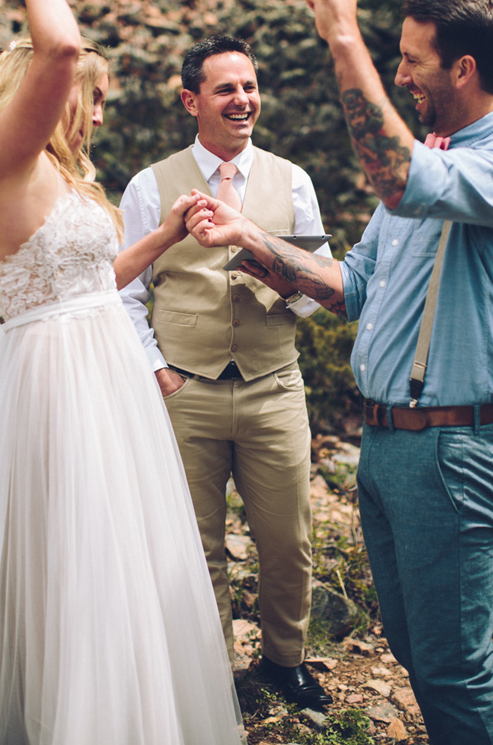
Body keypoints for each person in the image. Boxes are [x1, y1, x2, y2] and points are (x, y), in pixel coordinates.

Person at [0, 0, 244, 744]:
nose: (98, 112)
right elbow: (62, 47)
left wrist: (166, 234)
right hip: (59, 388)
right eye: (91, 98)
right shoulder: (8, 166)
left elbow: (90, 282)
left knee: (124, 559)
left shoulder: (63, 182)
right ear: (45, 94)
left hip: (103, 375)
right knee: (79, 560)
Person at [187, 0, 493, 744]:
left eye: (411, 62)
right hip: (387, 446)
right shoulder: (432, 155)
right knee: (417, 649)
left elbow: (401, 179)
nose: (400, 77)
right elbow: (352, 288)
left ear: (463, 69)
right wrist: (249, 239)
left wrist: (343, 34)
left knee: (455, 667)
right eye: (391, 61)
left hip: (450, 446)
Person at [117, 35, 334, 710]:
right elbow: (123, 293)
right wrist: (159, 372)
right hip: (186, 392)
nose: (243, 100)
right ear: (191, 100)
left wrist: (256, 245)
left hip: (274, 386)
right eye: (225, 89)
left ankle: (282, 660)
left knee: (287, 538)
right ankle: (210, 674)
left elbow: (317, 290)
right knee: (195, 545)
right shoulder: (149, 185)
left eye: (250, 86)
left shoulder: (291, 180)